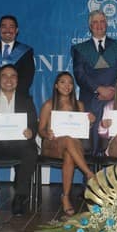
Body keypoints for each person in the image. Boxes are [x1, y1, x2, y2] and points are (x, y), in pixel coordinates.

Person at [0, 64, 37, 216]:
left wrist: (31, 131)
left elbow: (33, 124)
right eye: (4, 76)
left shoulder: (26, 99)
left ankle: (19, 197)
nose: (9, 79)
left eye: (13, 76)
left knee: (30, 150)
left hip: (19, 144)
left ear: (17, 80)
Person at [72, 10, 117, 153]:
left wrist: (112, 90)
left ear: (107, 24)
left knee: (112, 144)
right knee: (87, 147)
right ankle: (89, 176)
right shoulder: (80, 49)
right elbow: (79, 74)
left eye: (102, 21)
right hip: (89, 101)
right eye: (95, 22)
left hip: (115, 100)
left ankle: (112, 176)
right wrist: (99, 88)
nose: (99, 25)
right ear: (90, 26)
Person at [38, 72, 96, 216]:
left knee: (69, 152)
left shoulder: (79, 105)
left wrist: (90, 122)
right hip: (52, 145)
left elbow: (83, 130)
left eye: (70, 83)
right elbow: (40, 130)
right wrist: (47, 133)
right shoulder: (49, 104)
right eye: (63, 82)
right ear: (56, 86)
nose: (67, 85)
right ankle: (89, 174)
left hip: (72, 146)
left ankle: (65, 197)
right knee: (69, 140)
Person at [0, 15, 35, 95]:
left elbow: (27, 78)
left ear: (16, 30)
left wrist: (11, 94)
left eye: (11, 27)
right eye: (4, 26)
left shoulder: (26, 51)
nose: (7, 30)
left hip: (19, 99)